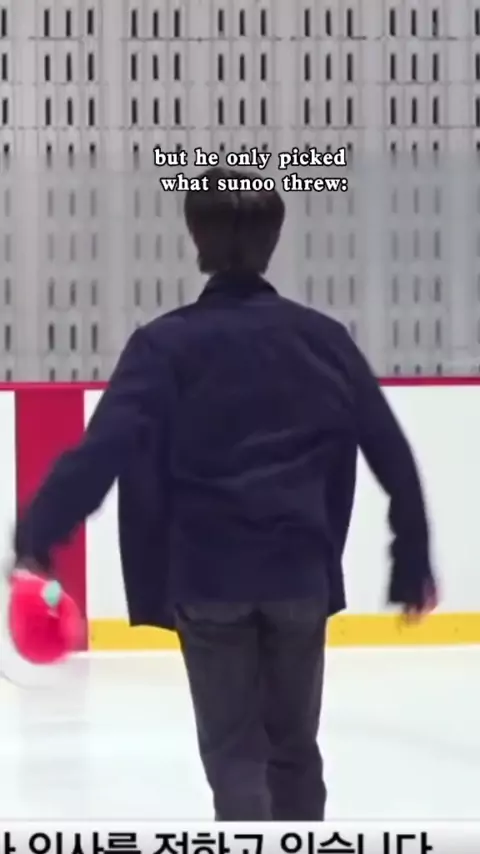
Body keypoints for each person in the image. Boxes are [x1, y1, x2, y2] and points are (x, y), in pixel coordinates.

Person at [14, 166, 438, 821]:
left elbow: (103, 452)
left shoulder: (164, 346)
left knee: (235, 757)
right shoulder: (323, 340)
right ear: (273, 239)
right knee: (293, 750)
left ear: (197, 238)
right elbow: (390, 450)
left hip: (208, 578)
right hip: (297, 573)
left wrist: (39, 537)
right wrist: (412, 560)